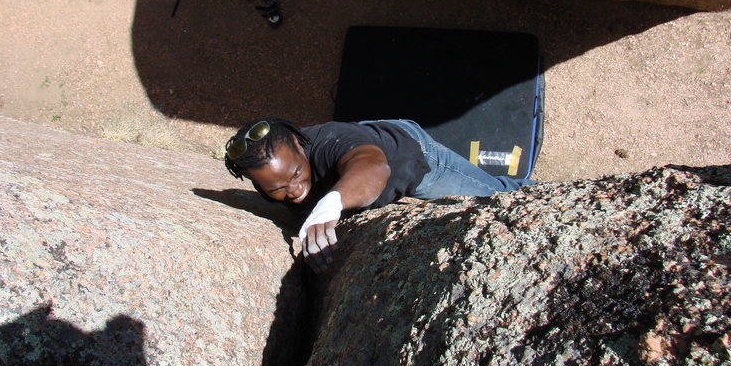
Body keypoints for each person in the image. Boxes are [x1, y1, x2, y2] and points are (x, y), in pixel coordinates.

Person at [224, 117, 534, 273]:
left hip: (411, 154)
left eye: (295, 174)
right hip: (369, 144)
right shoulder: (267, 174)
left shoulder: (332, 141)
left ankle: (542, 192)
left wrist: (331, 204)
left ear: (297, 141)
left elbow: (373, 168)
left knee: (497, 197)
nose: (293, 191)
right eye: (276, 189)